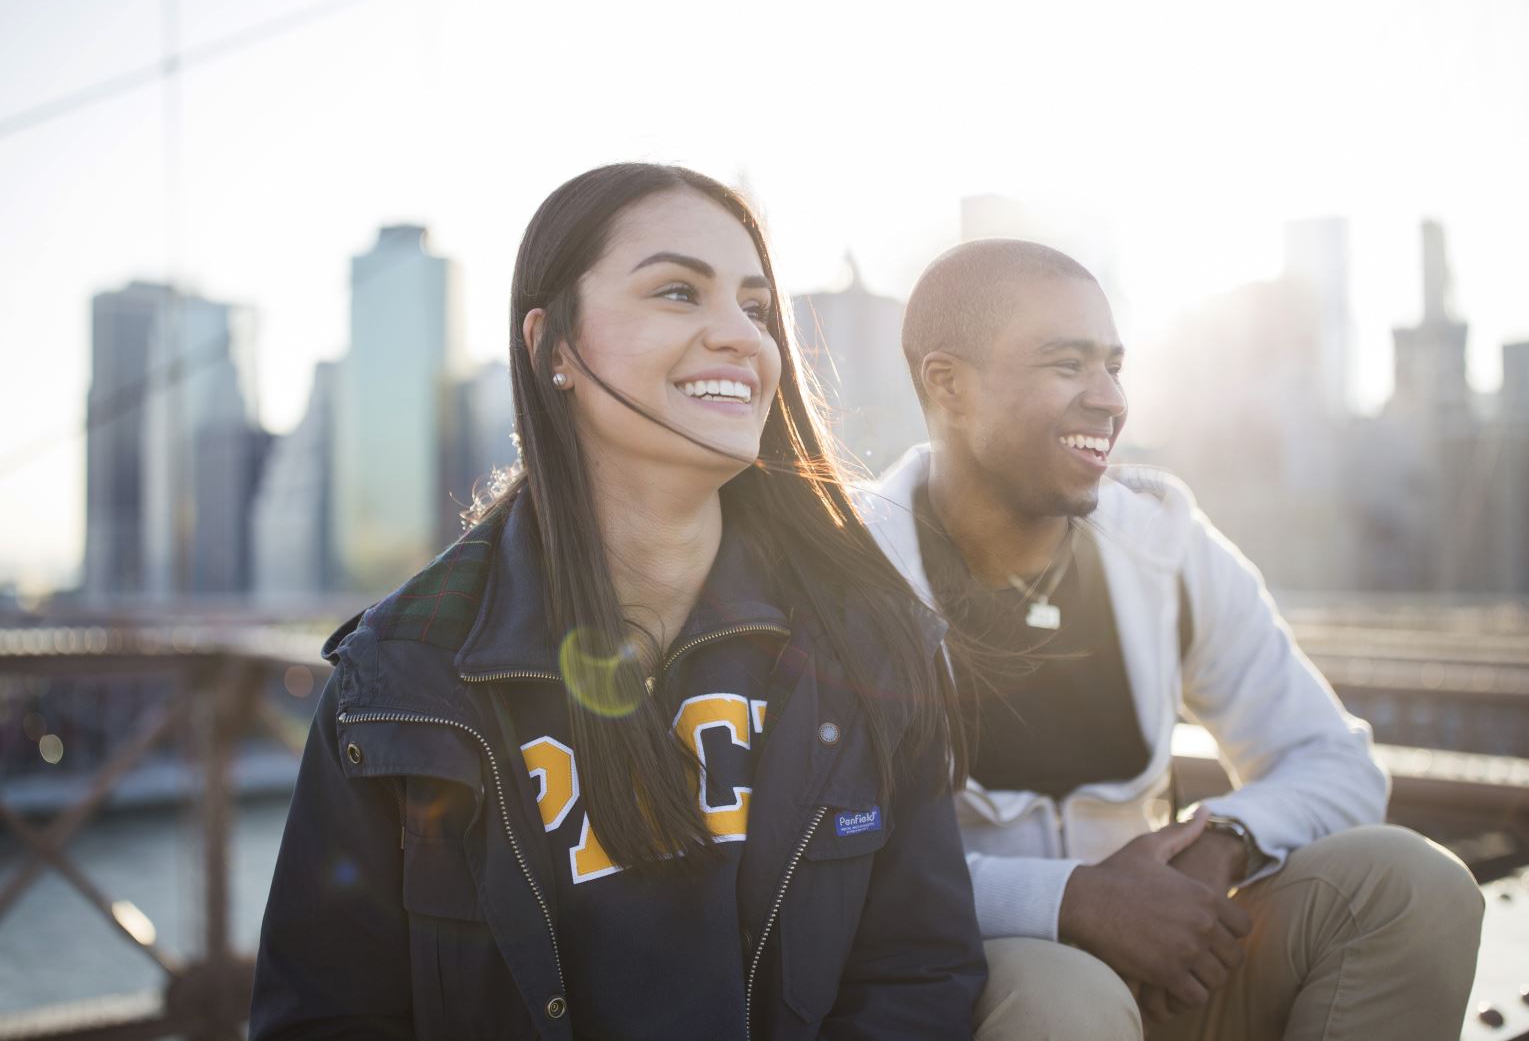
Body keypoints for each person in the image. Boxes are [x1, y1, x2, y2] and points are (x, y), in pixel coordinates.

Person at [249, 164, 984, 1041]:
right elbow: (326, 1015)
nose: (741, 338)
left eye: (755, 308)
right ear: (554, 346)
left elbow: (920, 969)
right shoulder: (400, 675)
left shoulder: (870, 639)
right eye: (678, 292)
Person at [856, 238, 1485, 1041]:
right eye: (1067, 364)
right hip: (982, 990)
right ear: (948, 385)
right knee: (1063, 994)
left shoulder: (1164, 543)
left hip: (1169, 969)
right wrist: (1073, 900)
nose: (1110, 399)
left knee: (1413, 884)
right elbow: (829, 864)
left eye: (1114, 365)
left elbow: (1337, 762)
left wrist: (1222, 841)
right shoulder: (854, 569)